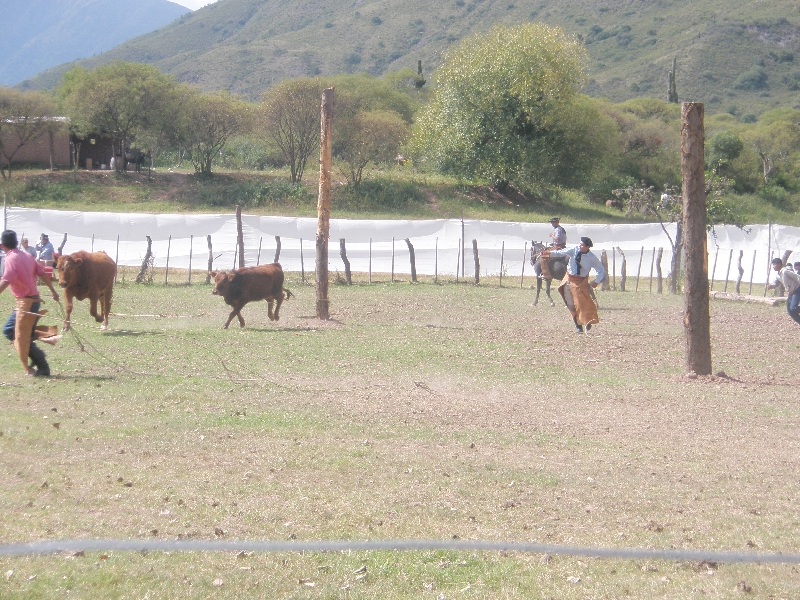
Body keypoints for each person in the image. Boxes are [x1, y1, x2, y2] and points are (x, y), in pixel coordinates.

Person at [0, 230, 60, 376]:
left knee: (10, 330)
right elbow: (42, 273)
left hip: (25, 304)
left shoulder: (10, 259)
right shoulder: (27, 256)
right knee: (25, 333)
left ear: (2, 245)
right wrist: (53, 291)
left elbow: (6, 279)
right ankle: (38, 359)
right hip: (34, 301)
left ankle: (42, 365)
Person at [545, 236, 605, 333]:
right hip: (568, 278)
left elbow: (601, 270)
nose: (579, 246)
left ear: (587, 247)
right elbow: (561, 252)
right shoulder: (574, 249)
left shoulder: (592, 258)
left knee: (581, 303)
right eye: (580, 243)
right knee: (570, 303)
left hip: (580, 281)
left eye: (582, 245)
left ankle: (587, 321)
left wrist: (597, 281)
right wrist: (549, 253)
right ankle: (578, 327)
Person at [769, 257, 800, 326]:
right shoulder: (778, 275)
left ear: (779, 264)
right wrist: (771, 286)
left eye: (775, 264)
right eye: (773, 264)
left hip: (797, 289)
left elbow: (797, 277)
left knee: (794, 307)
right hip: (791, 292)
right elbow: (776, 283)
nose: (773, 266)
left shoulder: (785, 271)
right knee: (790, 311)